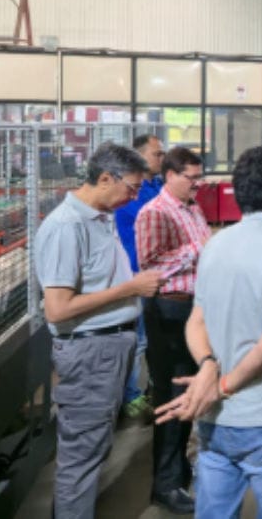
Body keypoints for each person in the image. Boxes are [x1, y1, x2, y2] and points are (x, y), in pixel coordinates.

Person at [154, 145, 262, 517]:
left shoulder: (216, 243)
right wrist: (223, 384)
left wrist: (208, 367)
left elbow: (196, 322)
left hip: (215, 421)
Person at [33, 142, 163, 518]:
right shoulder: (66, 227)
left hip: (108, 347)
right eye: (131, 188)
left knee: (94, 448)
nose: (135, 196)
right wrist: (131, 288)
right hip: (90, 352)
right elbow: (57, 309)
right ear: (105, 178)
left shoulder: (100, 216)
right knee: (82, 456)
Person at [134, 147, 212, 514]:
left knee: (188, 396)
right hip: (168, 311)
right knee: (171, 398)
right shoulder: (156, 213)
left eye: (199, 177)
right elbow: (150, 266)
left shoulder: (192, 208)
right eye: (191, 178)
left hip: (192, 312)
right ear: (169, 175)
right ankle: (164, 485)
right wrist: (198, 249)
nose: (197, 184)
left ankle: (179, 471)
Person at [115, 133, 165, 419]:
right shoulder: (133, 195)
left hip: (153, 274)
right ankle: (129, 396)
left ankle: (149, 388)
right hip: (135, 275)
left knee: (150, 337)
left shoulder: (154, 185)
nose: (161, 158)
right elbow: (159, 214)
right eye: (156, 154)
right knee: (138, 340)